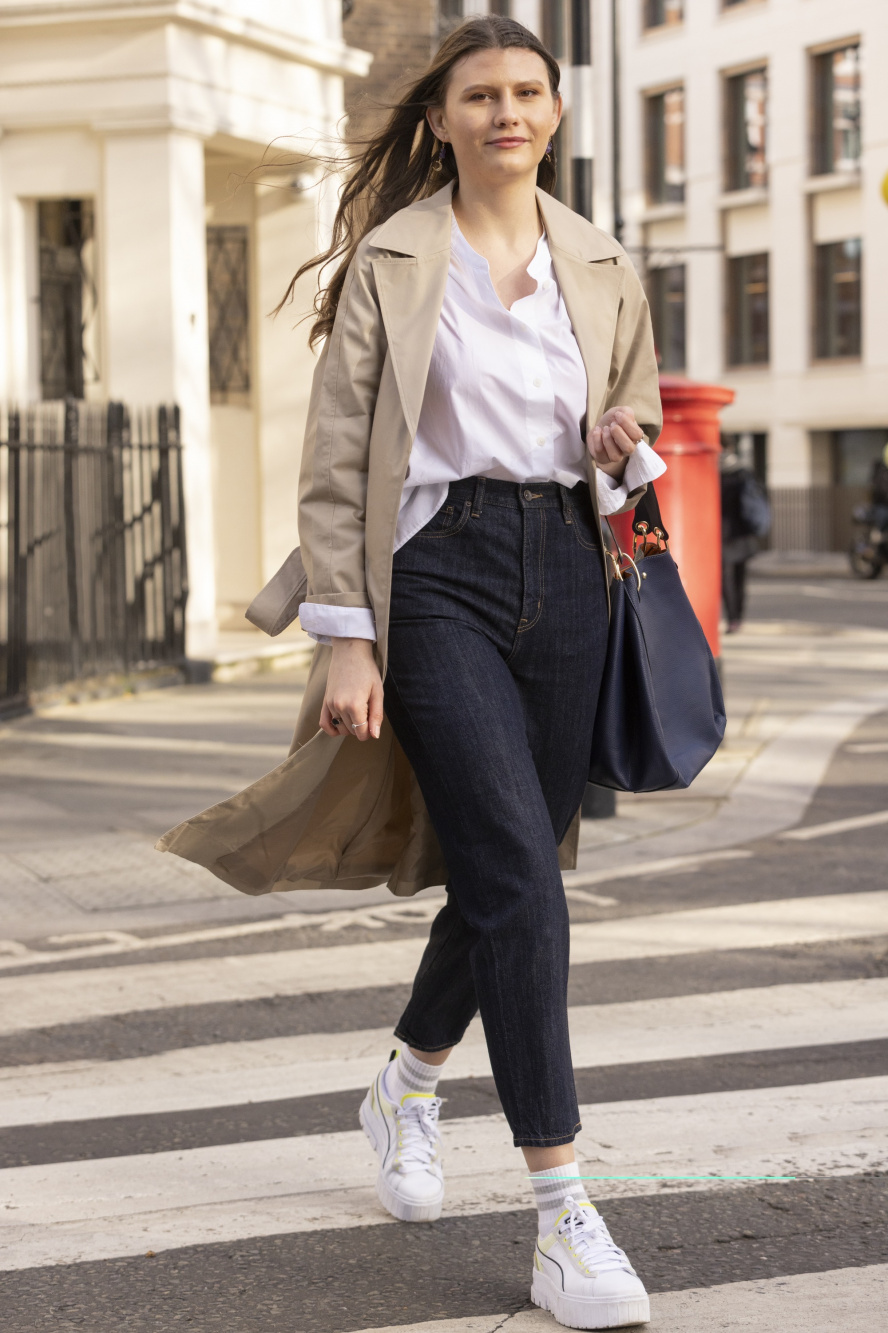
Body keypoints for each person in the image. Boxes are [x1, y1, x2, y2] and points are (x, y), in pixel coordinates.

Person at [160, 16, 664, 1330]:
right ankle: (564, 1213)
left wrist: (622, 443)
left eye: (527, 93)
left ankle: (409, 1076)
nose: (508, 112)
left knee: (517, 872)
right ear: (440, 118)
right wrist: (343, 629)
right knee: (512, 869)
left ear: (555, 113)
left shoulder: (602, 261)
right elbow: (337, 452)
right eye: (480, 95)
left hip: (566, 570)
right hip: (431, 574)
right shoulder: (394, 256)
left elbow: (638, 426)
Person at [720, 447, 769, 632]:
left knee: (727, 579)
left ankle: (733, 618)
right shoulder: (744, 473)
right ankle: (737, 618)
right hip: (742, 534)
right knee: (739, 578)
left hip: (724, 533)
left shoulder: (716, 473)